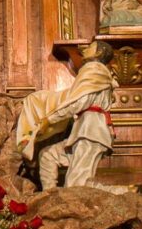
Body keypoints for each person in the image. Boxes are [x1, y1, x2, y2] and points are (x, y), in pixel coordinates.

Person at [16, 41, 123, 191]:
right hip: (83, 132)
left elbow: (79, 101)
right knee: (48, 155)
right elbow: (74, 96)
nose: (84, 49)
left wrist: (49, 119)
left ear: (98, 53)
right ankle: (50, 196)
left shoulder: (94, 70)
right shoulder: (95, 73)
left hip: (91, 133)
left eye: (90, 47)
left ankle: (126, 192)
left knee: (76, 186)